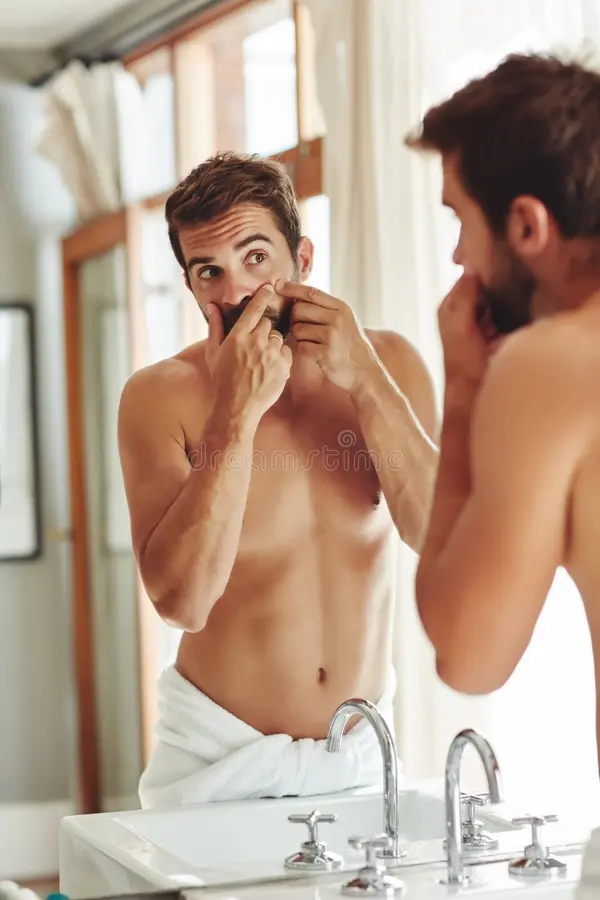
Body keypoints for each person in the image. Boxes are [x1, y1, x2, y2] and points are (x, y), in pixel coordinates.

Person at [118, 151, 438, 807]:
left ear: (304, 259)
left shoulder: (392, 364)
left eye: (256, 257)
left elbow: (439, 538)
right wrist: (235, 411)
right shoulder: (158, 398)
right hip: (219, 763)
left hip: (357, 761)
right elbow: (184, 602)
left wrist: (367, 380)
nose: (237, 292)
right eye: (211, 271)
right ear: (192, 287)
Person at [405, 52, 600, 760]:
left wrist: (463, 388)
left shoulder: (553, 361)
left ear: (526, 225)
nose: (460, 258)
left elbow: (469, 655)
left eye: (460, 219)